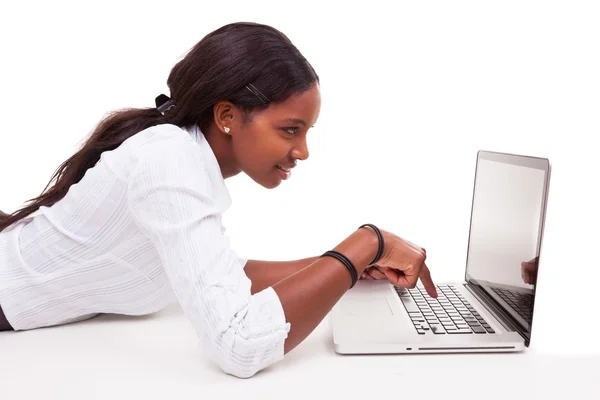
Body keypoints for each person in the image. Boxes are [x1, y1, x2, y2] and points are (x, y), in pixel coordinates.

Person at [0, 22, 437, 378]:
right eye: (290, 129)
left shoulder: (181, 156)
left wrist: (343, 269)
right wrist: (365, 243)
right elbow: (239, 343)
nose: (303, 151)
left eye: (307, 132)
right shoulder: (169, 162)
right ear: (227, 116)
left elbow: (220, 275)